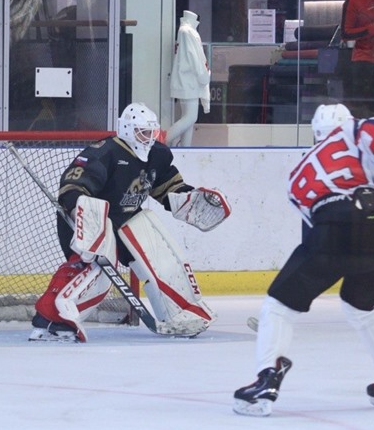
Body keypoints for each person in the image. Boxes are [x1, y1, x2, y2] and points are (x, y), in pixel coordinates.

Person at [233, 104, 374, 416]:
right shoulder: (356, 131)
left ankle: (267, 377)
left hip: (333, 229)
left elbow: (327, 228)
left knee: (280, 305)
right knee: (363, 307)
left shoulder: (297, 174)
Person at [29, 102, 231, 342]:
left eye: (151, 132)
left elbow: (167, 186)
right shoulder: (104, 152)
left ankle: (182, 312)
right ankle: (52, 321)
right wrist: (82, 217)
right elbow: (74, 186)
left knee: (163, 258)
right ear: (126, 130)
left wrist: (189, 198)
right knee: (95, 271)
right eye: (142, 132)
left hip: (126, 217)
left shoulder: (157, 155)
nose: (148, 138)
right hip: (91, 219)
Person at [166, 11, 211, 147]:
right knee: (191, 117)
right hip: (189, 81)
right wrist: (204, 76)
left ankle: (185, 149)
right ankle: (163, 140)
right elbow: (195, 59)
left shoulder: (184, 31)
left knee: (188, 118)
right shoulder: (188, 32)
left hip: (186, 80)